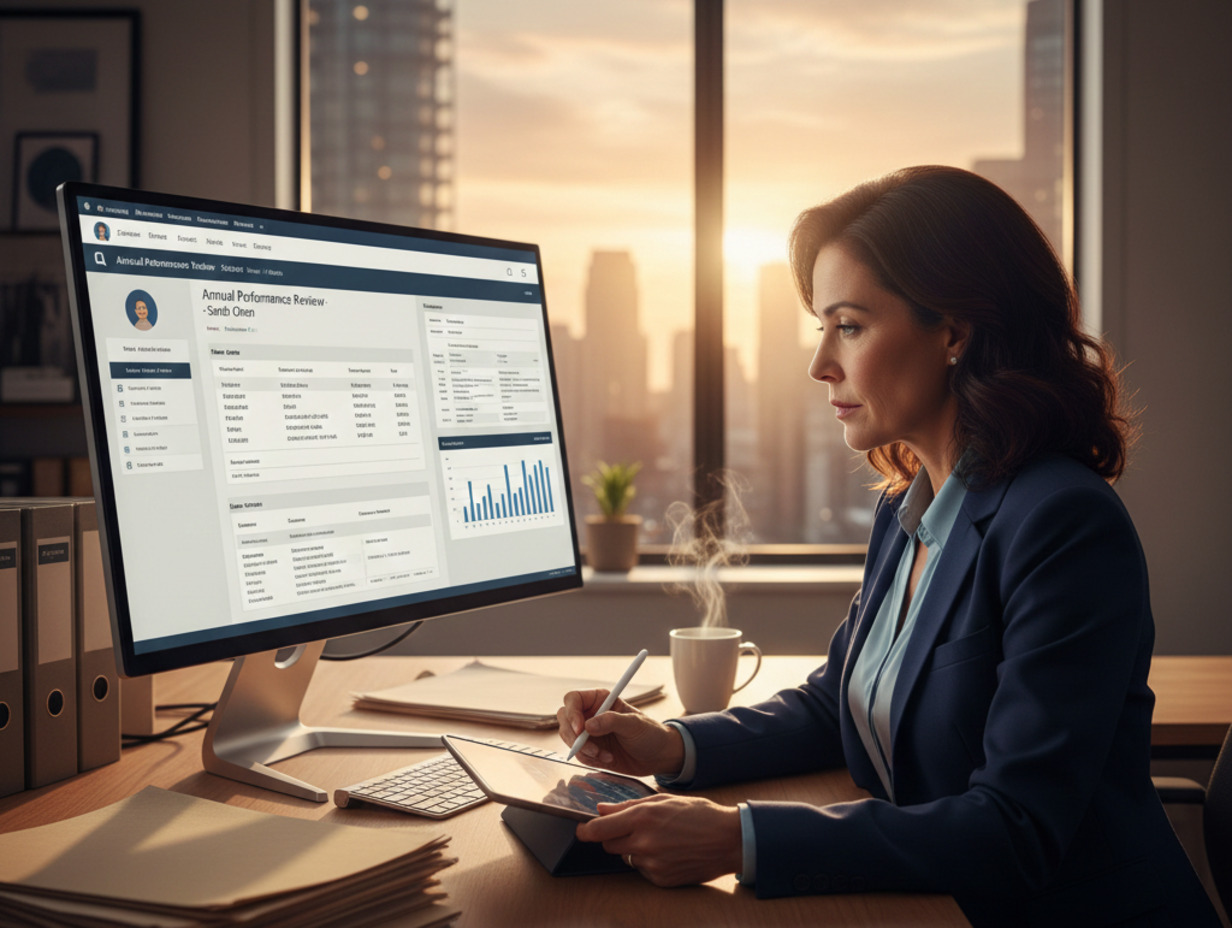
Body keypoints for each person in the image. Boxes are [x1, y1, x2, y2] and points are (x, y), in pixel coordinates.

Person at [558, 166, 1221, 927]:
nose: (820, 365)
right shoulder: (913, 509)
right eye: (822, 327)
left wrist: (740, 839)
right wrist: (670, 745)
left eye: (850, 325)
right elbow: (835, 701)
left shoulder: (1063, 525)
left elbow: (1018, 829)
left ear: (954, 332)